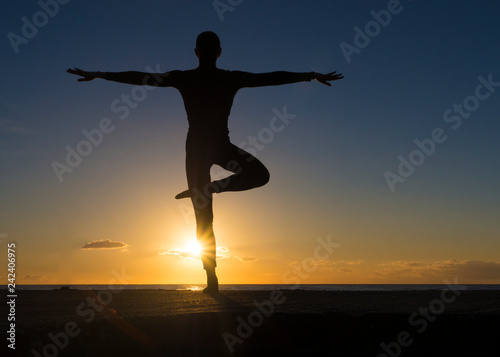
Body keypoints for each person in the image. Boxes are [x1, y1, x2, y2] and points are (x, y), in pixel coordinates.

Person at [67, 31, 343, 293]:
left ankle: (211, 272)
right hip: (219, 146)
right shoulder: (230, 78)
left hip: (198, 149)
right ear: (219, 53)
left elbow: (142, 77)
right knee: (257, 177)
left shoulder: (184, 78)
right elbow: (269, 78)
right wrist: (310, 75)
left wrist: (100, 75)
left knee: (204, 217)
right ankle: (212, 245)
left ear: (197, 52)